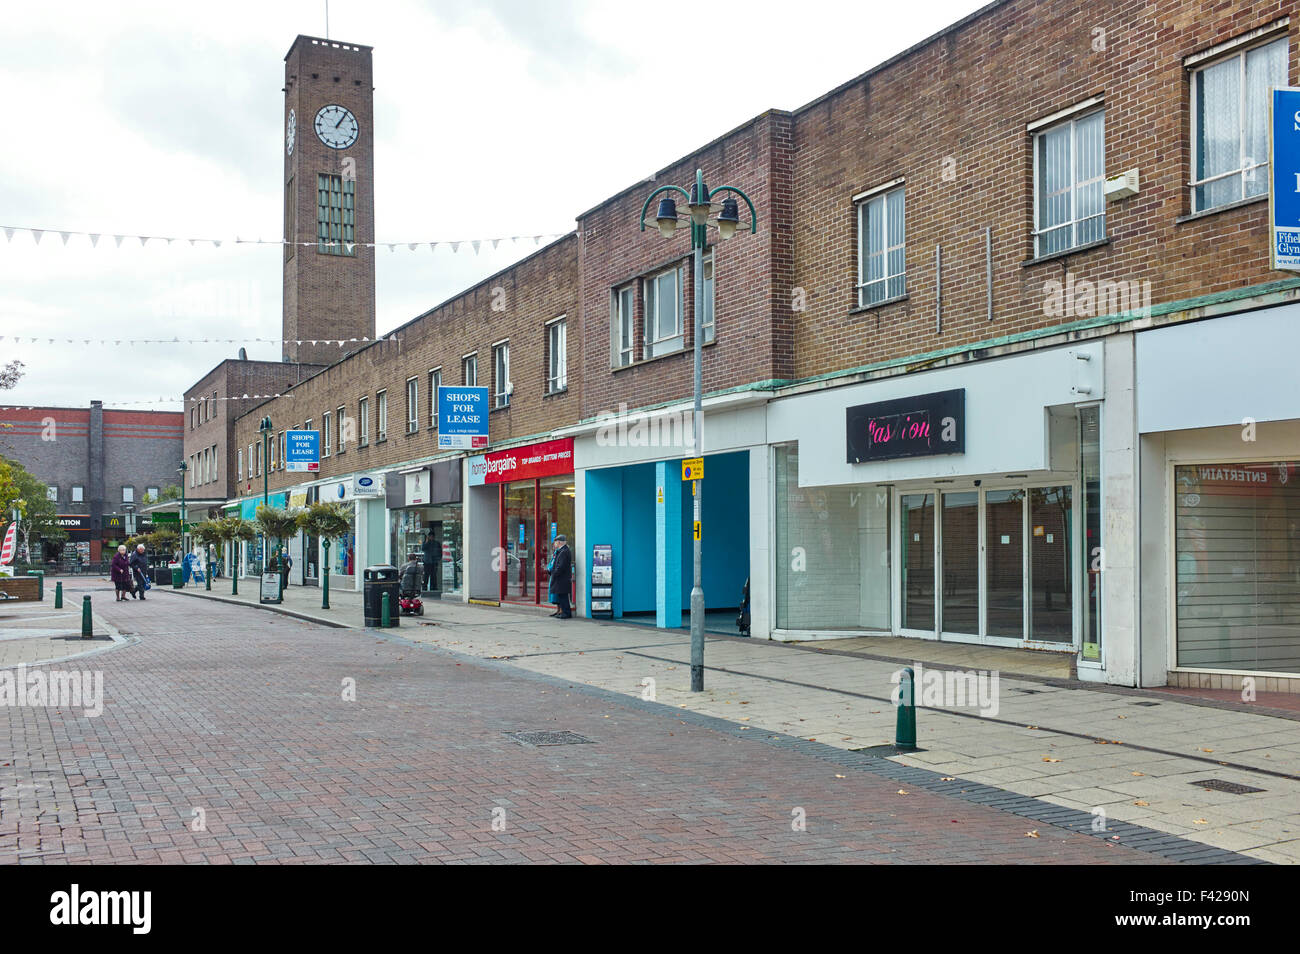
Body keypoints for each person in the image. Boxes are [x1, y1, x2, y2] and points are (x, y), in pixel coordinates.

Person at [548, 534, 573, 619]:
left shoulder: (564, 551)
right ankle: (564, 612)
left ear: (558, 542)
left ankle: (566, 613)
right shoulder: (562, 551)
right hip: (561, 578)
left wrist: (554, 573)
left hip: (562, 579)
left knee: (563, 597)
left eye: (555, 543)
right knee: (561, 596)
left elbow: (561, 566)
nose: (554, 544)